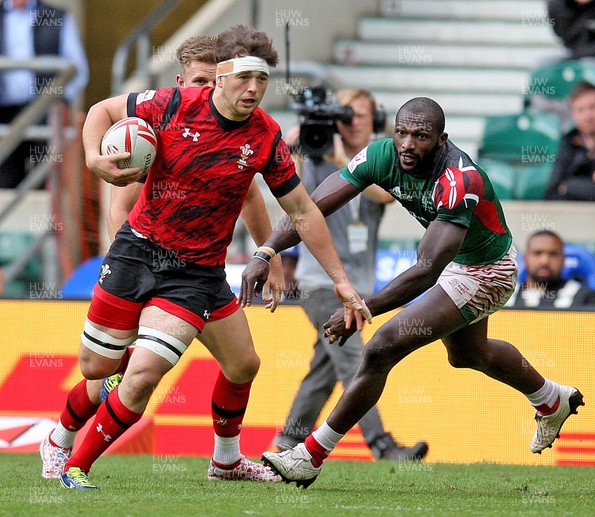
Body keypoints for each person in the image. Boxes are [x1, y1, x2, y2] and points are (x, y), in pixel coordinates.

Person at [43, 24, 370, 490]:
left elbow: (299, 210)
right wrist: (95, 158)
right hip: (135, 256)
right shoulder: (168, 108)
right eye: (243, 78)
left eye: (262, 80)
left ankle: (83, 466)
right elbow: (100, 110)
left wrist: (319, 272)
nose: (254, 89)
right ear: (218, 77)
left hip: (195, 274)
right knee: (98, 371)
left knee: (183, 373)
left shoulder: (264, 136)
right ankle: (58, 437)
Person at [240, 97, 585, 487]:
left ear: (441, 140)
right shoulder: (381, 155)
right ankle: (550, 399)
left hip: (488, 270)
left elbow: (426, 271)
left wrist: (360, 308)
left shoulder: (460, 180)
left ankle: (309, 456)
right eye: (402, 132)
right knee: (469, 355)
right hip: (458, 262)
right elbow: (309, 208)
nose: (407, 143)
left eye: (420, 136)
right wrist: (266, 251)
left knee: (382, 345)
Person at [272, 88, 428, 461]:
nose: (352, 122)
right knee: (355, 360)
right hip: (319, 283)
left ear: (375, 121)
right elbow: (288, 196)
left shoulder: (381, 160)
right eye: (345, 115)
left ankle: (286, 443)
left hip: (357, 285)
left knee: (324, 370)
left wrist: (343, 157)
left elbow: (384, 196)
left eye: (360, 115)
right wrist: (292, 148)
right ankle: (381, 445)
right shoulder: (313, 157)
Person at [0, 0, 89, 187]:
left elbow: (77, 69)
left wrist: (59, 101)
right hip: (4, 115)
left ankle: (42, 217)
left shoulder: (57, 15)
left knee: (47, 182)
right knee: (5, 181)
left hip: (45, 114)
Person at [505, 230, 595, 308]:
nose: (544, 261)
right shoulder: (504, 296)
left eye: (553, 254)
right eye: (537, 253)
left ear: (564, 260)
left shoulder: (585, 297)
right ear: (525, 259)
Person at [543, 81, 595, 201]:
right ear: (573, 114)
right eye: (580, 110)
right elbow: (551, 194)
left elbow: (563, 189)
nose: (588, 116)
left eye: (593, 107)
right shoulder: (568, 143)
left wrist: (568, 187)